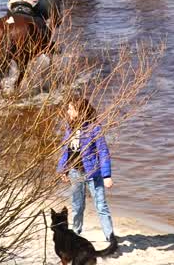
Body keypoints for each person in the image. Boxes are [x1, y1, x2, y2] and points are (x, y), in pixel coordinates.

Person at [57, 96, 118, 255]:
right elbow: (66, 150)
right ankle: (76, 235)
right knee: (77, 205)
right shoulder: (69, 127)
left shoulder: (94, 128)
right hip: (75, 173)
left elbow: (103, 152)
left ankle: (110, 238)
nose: (68, 111)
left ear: (80, 111)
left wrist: (107, 175)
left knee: (101, 205)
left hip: (93, 172)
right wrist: (62, 169)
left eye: (71, 109)